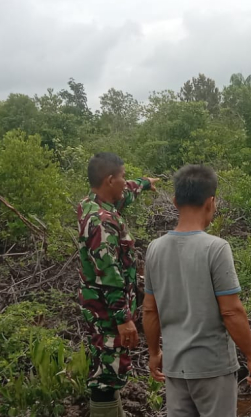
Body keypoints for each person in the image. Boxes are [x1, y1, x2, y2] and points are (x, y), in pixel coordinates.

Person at [142, 164, 251, 417]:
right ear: (211, 202)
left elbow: (149, 310)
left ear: (175, 201)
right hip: (213, 367)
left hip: (175, 367)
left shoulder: (154, 248)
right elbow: (231, 312)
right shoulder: (216, 248)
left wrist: (154, 353)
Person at [77, 152, 158, 417]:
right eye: (122, 177)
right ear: (110, 180)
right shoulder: (101, 222)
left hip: (102, 308)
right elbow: (108, 274)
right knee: (106, 375)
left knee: (112, 369)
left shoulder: (93, 204)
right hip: (106, 312)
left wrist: (144, 183)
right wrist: (123, 318)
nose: (125, 181)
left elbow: (125, 194)